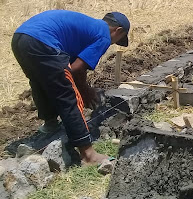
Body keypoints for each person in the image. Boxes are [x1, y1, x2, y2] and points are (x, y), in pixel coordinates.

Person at [12, 10, 130, 165]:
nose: (113, 43)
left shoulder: (89, 27)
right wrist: (86, 91)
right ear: (118, 30)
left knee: (40, 82)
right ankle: (88, 155)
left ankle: (50, 124)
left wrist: (83, 85)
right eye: (118, 40)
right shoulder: (104, 36)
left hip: (21, 38)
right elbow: (75, 70)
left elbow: (75, 66)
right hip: (43, 41)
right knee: (69, 95)